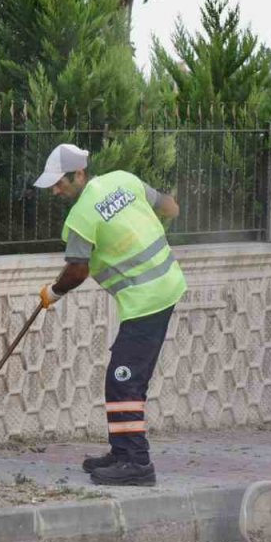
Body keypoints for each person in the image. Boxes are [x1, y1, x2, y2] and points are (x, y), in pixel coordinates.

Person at [33, 143, 185, 486]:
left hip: (146, 299)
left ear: (80, 174)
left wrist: (52, 293)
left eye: (60, 182)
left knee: (123, 379)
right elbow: (170, 207)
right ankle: (122, 453)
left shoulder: (80, 219)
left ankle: (138, 464)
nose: (56, 190)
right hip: (167, 284)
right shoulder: (124, 180)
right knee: (125, 375)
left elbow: (76, 272)